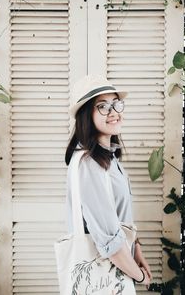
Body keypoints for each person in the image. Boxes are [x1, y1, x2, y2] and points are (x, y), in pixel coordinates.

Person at [65, 75, 152, 292]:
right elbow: (109, 241)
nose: (114, 112)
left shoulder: (109, 159)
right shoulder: (89, 164)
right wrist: (140, 277)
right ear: (86, 114)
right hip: (112, 271)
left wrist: (137, 248)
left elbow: (121, 216)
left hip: (123, 265)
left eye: (116, 104)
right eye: (103, 106)